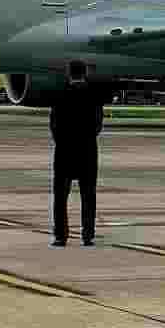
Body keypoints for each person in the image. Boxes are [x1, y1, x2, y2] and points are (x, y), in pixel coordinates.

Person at [49, 61, 111, 246]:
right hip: (87, 151)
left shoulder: (60, 94)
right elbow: (97, 125)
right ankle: (88, 235)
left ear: (69, 74)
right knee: (88, 196)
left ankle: (61, 236)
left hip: (64, 151)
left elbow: (54, 125)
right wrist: (87, 139)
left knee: (60, 197)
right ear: (85, 74)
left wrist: (63, 142)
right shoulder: (94, 95)